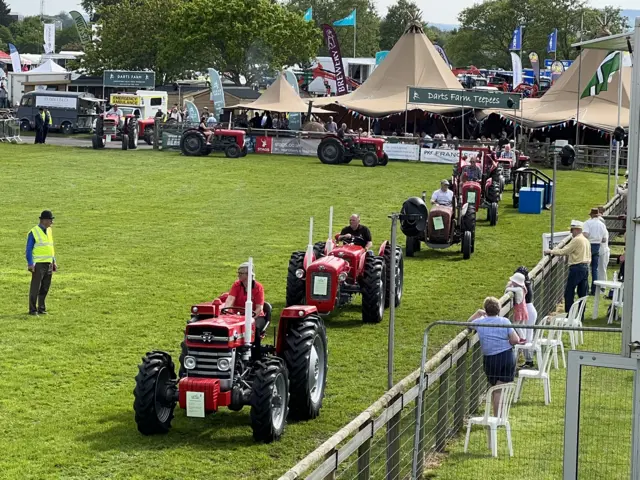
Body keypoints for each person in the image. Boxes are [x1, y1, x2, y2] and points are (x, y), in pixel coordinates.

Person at [469, 297, 524, 415]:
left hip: (491, 359)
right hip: (507, 357)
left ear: (485, 310)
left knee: (496, 390)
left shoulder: (480, 322)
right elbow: (515, 339)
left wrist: (478, 313)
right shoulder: (504, 321)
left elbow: (468, 324)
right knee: (500, 389)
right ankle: (499, 416)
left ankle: (497, 417)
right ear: (498, 310)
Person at [544, 220, 591, 312]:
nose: (571, 232)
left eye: (572, 230)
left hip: (576, 267)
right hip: (585, 267)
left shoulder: (577, 240)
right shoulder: (586, 240)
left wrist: (551, 251)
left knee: (569, 292)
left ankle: (569, 313)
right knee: (582, 293)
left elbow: (564, 251)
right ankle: (581, 314)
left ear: (577, 230)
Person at [26, 210, 57, 315]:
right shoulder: (34, 232)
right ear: (44, 220)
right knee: (36, 287)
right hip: (38, 264)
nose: (52, 222)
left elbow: (50, 246)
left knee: (45, 287)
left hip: (48, 263)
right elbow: (29, 249)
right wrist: (30, 263)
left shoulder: (49, 231)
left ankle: (41, 308)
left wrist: (53, 261)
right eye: (50, 220)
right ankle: (32, 310)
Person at [224, 262, 268, 333]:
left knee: (254, 328)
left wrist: (250, 319)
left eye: (241, 273)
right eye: (238, 273)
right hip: (238, 316)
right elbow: (230, 300)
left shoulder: (258, 287)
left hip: (256, 316)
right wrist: (225, 312)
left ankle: (256, 343)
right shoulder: (236, 285)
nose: (238, 275)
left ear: (249, 275)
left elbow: (259, 308)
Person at [513, 266, 537, 368]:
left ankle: (529, 360)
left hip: (528, 310)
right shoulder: (527, 282)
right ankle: (528, 360)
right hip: (530, 309)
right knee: (528, 334)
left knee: (527, 336)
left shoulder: (522, 286)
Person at [583, 208, 608, 295]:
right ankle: (594, 290)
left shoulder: (587, 223)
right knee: (595, 269)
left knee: (586, 267)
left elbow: (585, 234)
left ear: (591, 215)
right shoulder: (602, 225)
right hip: (598, 245)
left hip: (589, 245)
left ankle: (585, 288)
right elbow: (604, 239)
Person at [597, 206, 611, 283]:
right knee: (598, 269)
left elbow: (604, 239)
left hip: (603, 250)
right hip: (599, 249)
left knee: (602, 269)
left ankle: (602, 286)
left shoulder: (603, 230)